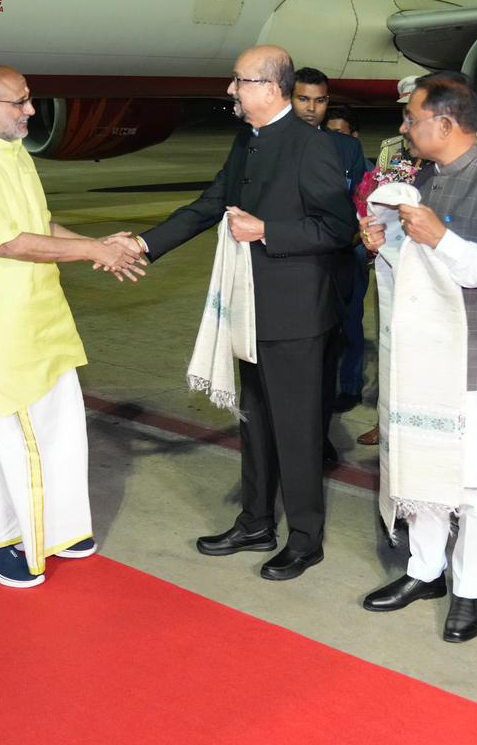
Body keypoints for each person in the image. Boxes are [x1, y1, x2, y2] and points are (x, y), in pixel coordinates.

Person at [127, 46, 356, 581]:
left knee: (297, 431)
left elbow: (339, 228)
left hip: (295, 316)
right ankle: (256, 523)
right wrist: (143, 244)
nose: (230, 90)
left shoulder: (313, 147)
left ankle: (305, 539)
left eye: (239, 81)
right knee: (255, 422)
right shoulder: (247, 140)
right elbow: (211, 204)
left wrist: (268, 230)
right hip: (249, 306)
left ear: (271, 89)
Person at [0, 65, 146, 589]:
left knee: (61, 432)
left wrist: (99, 247)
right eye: (20, 102)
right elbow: (9, 242)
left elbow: (40, 224)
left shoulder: (13, 154)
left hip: (37, 319)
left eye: (29, 99)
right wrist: (92, 250)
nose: (32, 110)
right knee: (5, 443)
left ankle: (59, 530)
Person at [360, 71, 477, 643]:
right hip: (425, 360)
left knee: (476, 486)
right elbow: (420, 272)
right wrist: (386, 248)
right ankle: (425, 571)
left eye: (412, 118)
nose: (405, 127)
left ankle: (470, 589)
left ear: (444, 123)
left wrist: (443, 239)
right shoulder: (425, 180)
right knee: (422, 468)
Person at [292, 66, 368, 456]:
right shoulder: (264, 142)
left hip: (334, 266)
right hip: (285, 268)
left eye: (320, 101)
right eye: (303, 99)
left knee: (327, 356)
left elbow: (358, 205)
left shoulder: (346, 149)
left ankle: (317, 439)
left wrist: (350, 239)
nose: (311, 109)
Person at [357, 73, 427, 448]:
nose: (407, 117)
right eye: (404, 109)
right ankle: (386, 420)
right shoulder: (392, 149)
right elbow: (377, 194)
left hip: (427, 256)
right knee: (389, 339)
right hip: (392, 259)